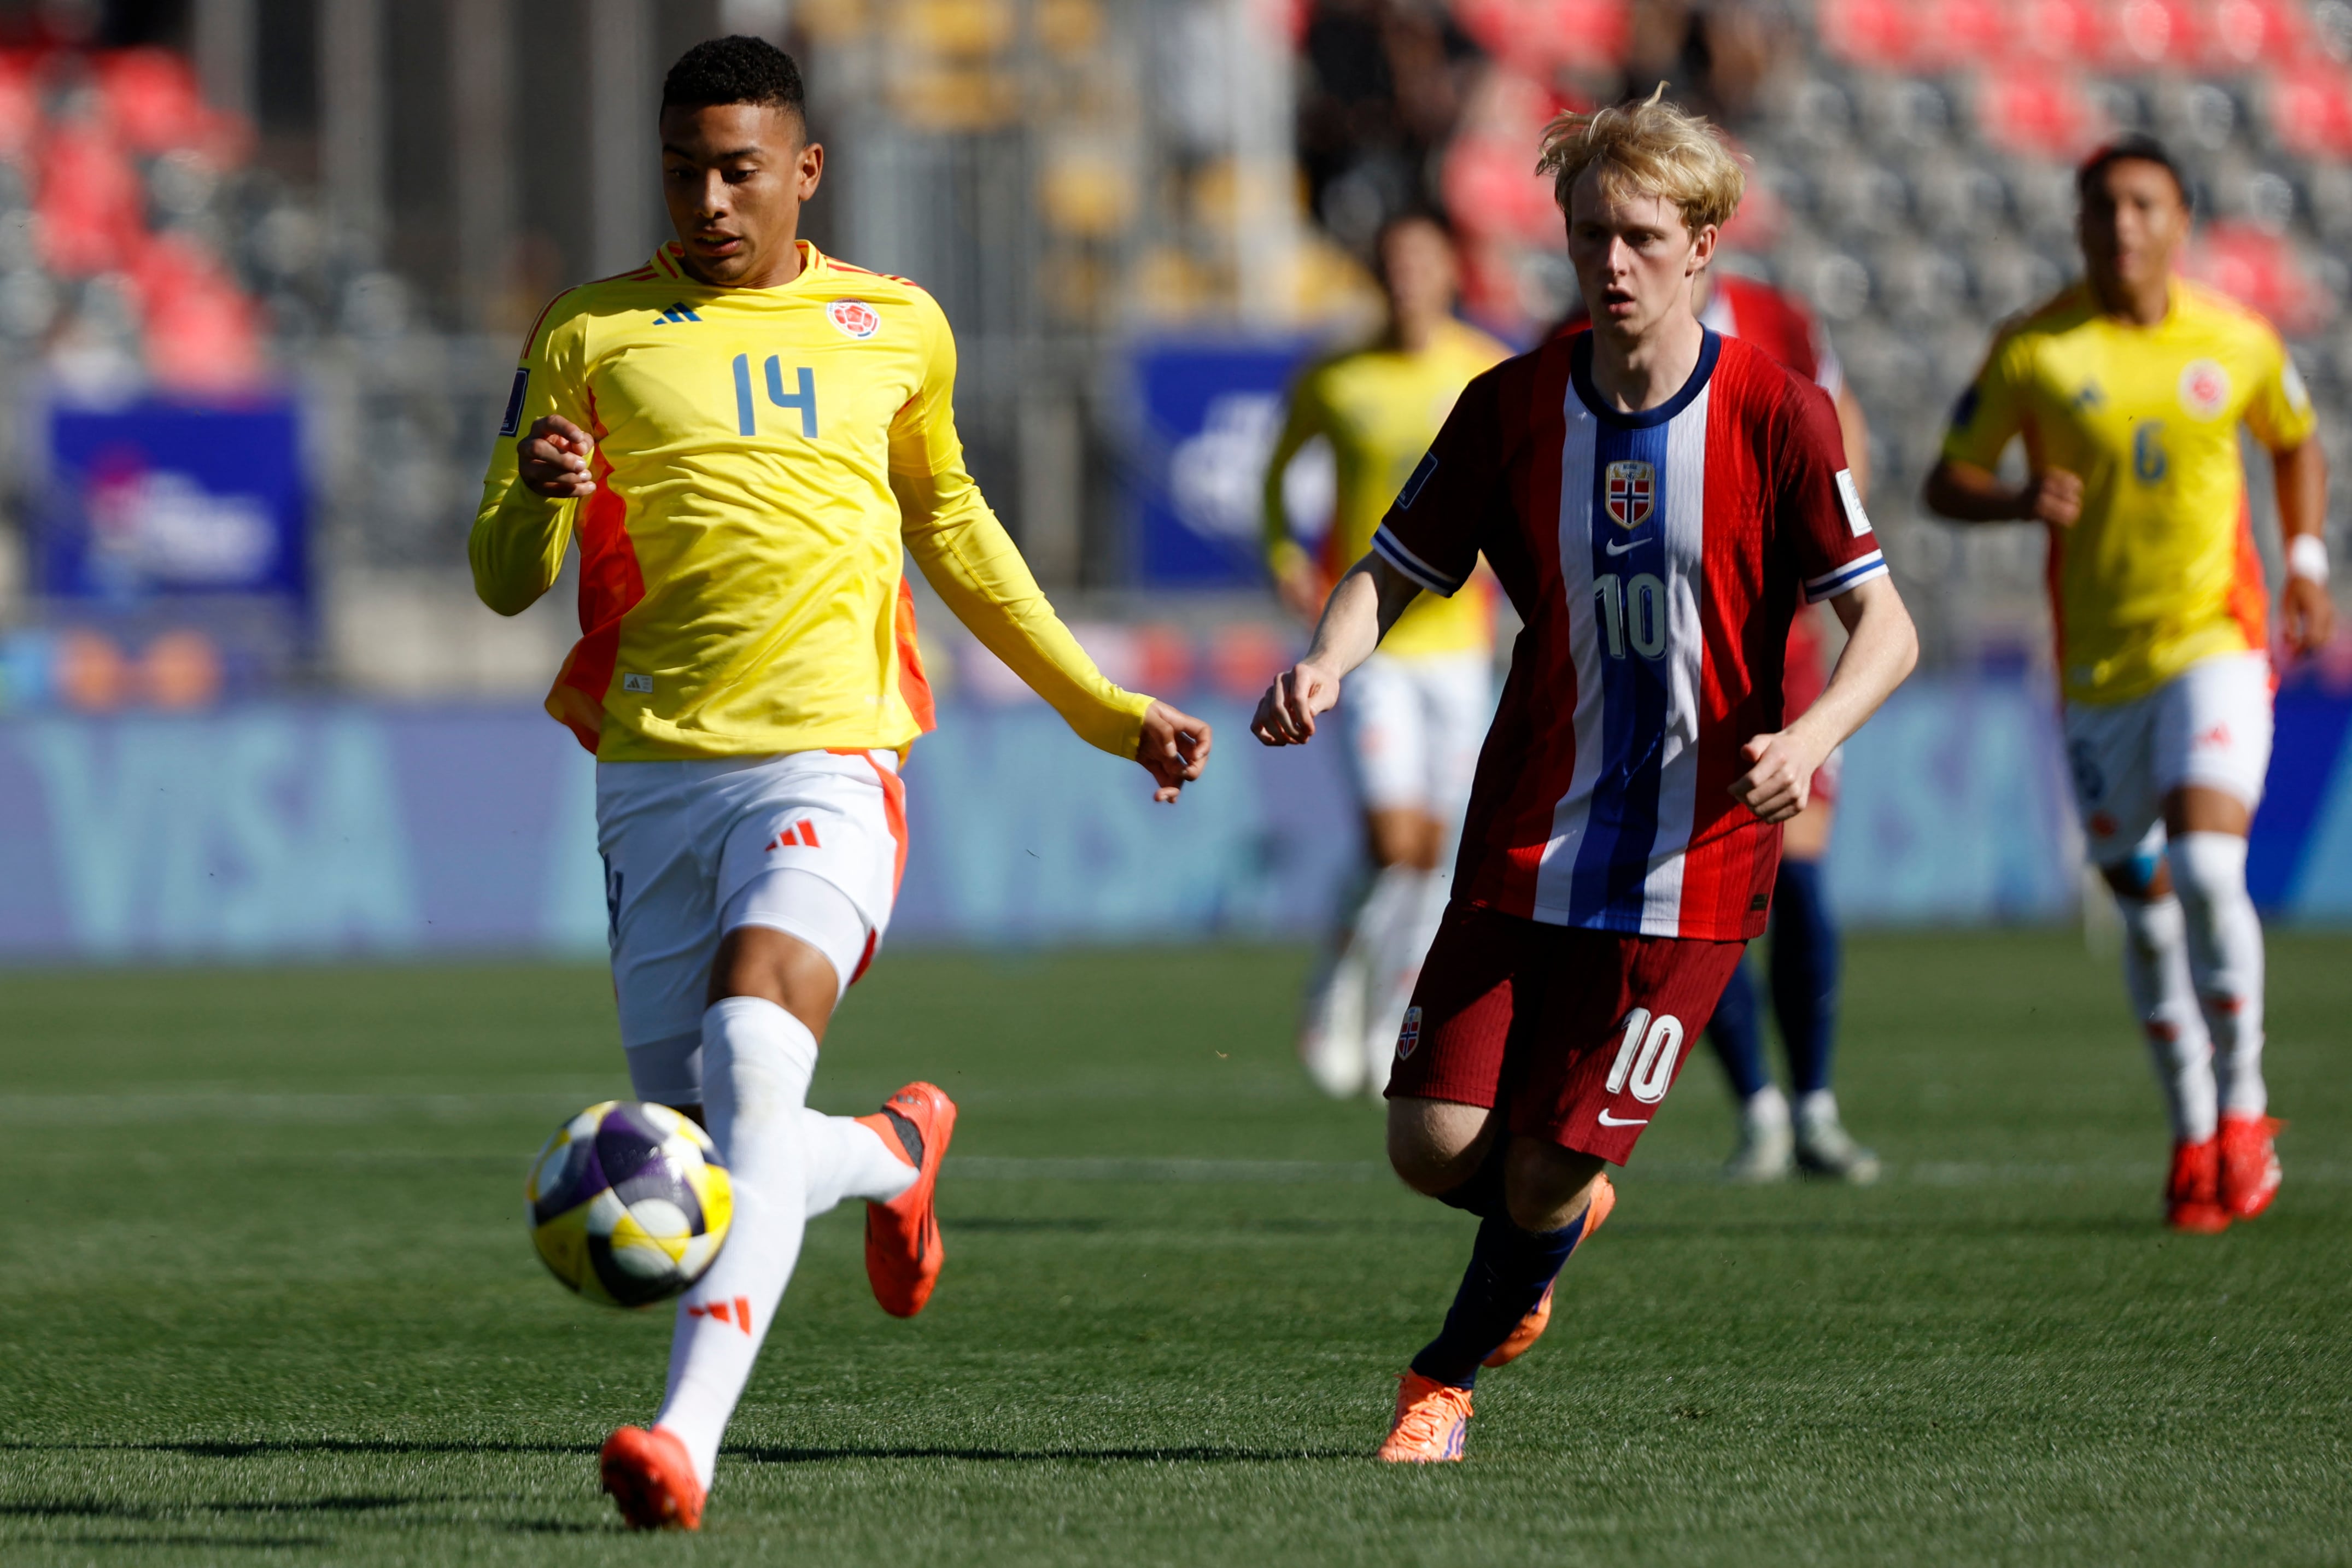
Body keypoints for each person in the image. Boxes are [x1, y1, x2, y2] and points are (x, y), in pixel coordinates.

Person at [470, 37, 1211, 1529]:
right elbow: (500, 581)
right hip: (651, 780)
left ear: (804, 168)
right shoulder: (587, 333)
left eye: (739, 168)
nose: (710, 198)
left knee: (752, 1045)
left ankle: (682, 1440)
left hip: (829, 757)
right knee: (718, 1146)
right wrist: (537, 500)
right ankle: (887, 1152)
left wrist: (1100, 706)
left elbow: (958, 532)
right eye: (684, 168)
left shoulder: (897, 325)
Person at [1251, 91, 1917, 1462]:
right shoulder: (1507, 409)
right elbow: (1391, 566)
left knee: (1547, 1164)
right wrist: (1326, 665)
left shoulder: (1779, 415)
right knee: (1433, 1148)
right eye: (1587, 234)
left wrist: (1811, 736)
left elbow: (1887, 625)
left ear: (1705, 245)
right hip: (1524, 833)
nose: (1609, 262)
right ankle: (1553, 1216)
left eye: (1639, 237)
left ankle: (1442, 1380)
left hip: (1695, 857)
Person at [1925, 134, 2330, 1234]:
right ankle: (2192, 1133)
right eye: (2103, 206)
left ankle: (2246, 1111)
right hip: (2099, 670)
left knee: (2205, 864)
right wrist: (2014, 502)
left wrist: (2304, 562)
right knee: (2144, 914)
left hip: (2216, 641)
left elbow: (2293, 440)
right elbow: (1946, 479)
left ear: (2181, 220)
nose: (2123, 225)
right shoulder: (2038, 352)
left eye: (2144, 205)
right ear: (2079, 223)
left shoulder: (2235, 339)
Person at [1555, 265, 1879, 1183]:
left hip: (1782, 644)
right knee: (1692, 885)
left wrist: (1831, 547)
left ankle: (1813, 1103)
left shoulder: (1780, 315)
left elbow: (1838, 433)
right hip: (1650, 659)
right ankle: (1759, 1108)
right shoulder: (1570, 338)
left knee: (1800, 869)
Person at [1261, 214, 1510, 1100]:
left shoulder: (1483, 367)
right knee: (1390, 840)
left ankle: (1386, 1019)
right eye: (1393, 261)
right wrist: (1290, 561)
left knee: (1436, 854)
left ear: (1451, 269)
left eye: (1422, 261)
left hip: (1460, 646)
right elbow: (1277, 475)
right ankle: (1333, 988)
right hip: (1370, 647)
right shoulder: (1336, 374)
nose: (1406, 277)